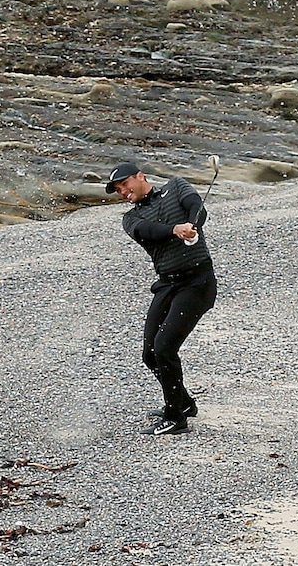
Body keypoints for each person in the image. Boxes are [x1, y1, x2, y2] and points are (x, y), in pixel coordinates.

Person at [106, 162, 217, 435]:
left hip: (197, 283)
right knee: (150, 354)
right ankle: (184, 403)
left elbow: (197, 207)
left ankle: (175, 417)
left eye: (124, 184)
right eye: (118, 190)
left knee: (165, 348)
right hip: (167, 285)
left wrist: (193, 225)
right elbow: (150, 232)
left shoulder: (176, 186)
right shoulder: (130, 219)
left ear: (140, 176)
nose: (122, 192)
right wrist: (175, 230)